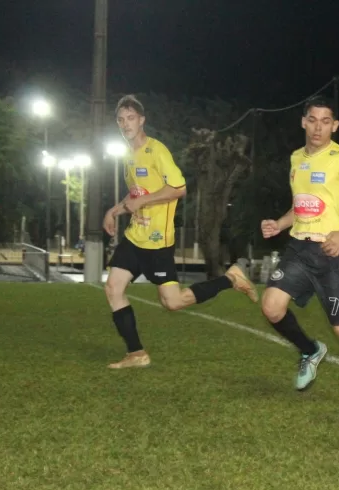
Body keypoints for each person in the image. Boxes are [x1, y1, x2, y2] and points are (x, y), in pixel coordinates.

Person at [103, 94, 258, 369]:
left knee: (172, 302)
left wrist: (142, 201)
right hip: (135, 236)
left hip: (157, 242)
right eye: (121, 119)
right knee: (113, 288)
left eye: (131, 118)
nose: (125, 124)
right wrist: (114, 211)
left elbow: (179, 188)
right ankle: (136, 353)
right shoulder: (129, 156)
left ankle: (230, 278)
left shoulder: (156, 150)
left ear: (142, 120)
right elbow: (137, 192)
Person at [260, 96, 339, 397]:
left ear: (335, 125)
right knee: (271, 306)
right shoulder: (296, 159)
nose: (318, 128)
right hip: (300, 249)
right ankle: (310, 350)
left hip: (333, 251)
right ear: (303, 122)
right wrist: (280, 223)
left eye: (325, 121)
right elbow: (302, 205)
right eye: (313, 120)